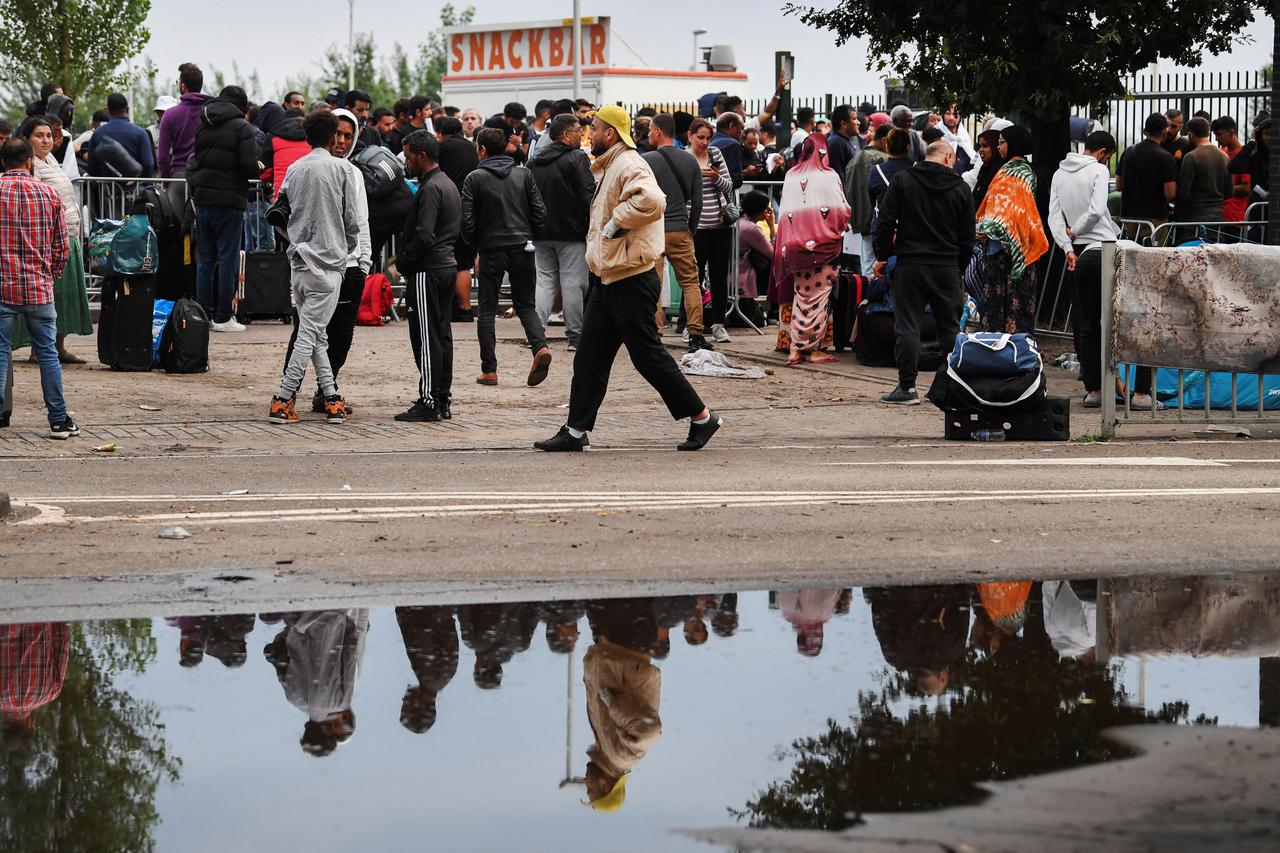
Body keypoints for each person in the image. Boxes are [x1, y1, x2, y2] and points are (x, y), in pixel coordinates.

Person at [534, 106, 721, 453]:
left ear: (611, 133)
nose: (591, 133)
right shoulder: (612, 164)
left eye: (596, 127)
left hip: (631, 278)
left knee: (648, 356)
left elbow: (652, 200)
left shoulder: (629, 163)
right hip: (612, 277)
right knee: (590, 356)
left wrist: (615, 223)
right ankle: (575, 430)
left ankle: (702, 417)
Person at [267, 111, 363, 425]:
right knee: (310, 334)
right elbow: (352, 219)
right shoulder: (342, 169)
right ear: (332, 135)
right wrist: (347, 247)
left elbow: (280, 212)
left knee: (315, 334)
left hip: (299, 263)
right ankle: (283, 397)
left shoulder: (294, 169)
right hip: (330, 264)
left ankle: (331, 397)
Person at [873, 140, 974, 405]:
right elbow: (968, 237)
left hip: (910, 264)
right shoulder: (961, 188)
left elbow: (885, 221)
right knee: (950, 328)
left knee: (907, 326)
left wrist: (883, 257)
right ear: (949, 157)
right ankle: (951, 386)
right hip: (947, 266)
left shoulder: (903, 180)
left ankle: (907, 387)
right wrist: (958, 267)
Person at [461, 126, 550, 387]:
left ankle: (489, 370)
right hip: (522, 245)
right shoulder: (524, 174)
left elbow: (467, 222)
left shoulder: (474, 178)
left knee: (487, 310)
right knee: (526, 305)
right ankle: (540, 347)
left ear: (482, 149)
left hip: (490, 249)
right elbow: (540, 213)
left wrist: (477, 244)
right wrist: (528, 234)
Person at [0, 138, 77, 438]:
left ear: (3, 162)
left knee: (1, 351)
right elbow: (62, 246)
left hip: (3, 286)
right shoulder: (49, 194)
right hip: (38, 288)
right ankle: (58, 420)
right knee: (47, 354)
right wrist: (50, 276)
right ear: (30, 161)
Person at [1048, 130, 1124, 409]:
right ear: (1103, 152)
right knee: (1111, 320)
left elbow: (1053, 217)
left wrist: (1068, 247)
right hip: (1103, 247)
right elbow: (1097, 208)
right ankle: (1116, 381)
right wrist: (1077, 230)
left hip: (1076, 254)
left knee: (1085, 321)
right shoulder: (1099, 172)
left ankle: (1093, 388)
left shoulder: (1059, 174)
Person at [396, 130, 461, 423]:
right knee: (440, 335)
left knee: (426, 337)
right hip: (444, 267)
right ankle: (441, 398)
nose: (406, 162)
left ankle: (429, 400)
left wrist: (405, 264)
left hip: (428, 270)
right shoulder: (446, 183)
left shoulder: (432, 187)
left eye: (409, 157)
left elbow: (424, 234)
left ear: (422, 156)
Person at [14, 118, 91, 364]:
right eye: (39, 135)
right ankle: (39, 348)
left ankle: (58, 345)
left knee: (65, 294)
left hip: (68, 234)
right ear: (27, 139)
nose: (46, 140)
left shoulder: (51, 161)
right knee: (47, 298)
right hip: (46, 240)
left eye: (48, 135)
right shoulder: (29, 167)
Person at [769, 136, 850, 365]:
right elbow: (840, 209)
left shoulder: (791, 174)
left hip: (795, 246)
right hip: (824, 246)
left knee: (801, 295)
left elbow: (786, 210)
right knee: (820, 297)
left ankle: (796, 348)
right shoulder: (829, 176)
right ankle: (813, 350)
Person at [581, 598, 665, 812]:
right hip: (628, 640)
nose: (585, 784)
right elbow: (649, 731)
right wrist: (614, 704)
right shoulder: (622, 757)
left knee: (601, 576)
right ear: (604, 785)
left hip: (613, 641)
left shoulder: (607, 750)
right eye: (590, 790)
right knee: (621, 574)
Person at [188, 87, 260, 333]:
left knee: (205, 261)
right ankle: (223, 317)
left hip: (204, 199)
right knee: (228, 259)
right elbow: (248, 165)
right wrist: (257, 165)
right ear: (241, 105)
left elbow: (196, 160)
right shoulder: (242, 127)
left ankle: (202, 314)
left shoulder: (203, 124)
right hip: (229, 201)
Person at [973, 125, 1049, 334]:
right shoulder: (1010, 170)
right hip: (1008, 247)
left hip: (1009, 249)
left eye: (1002, 142)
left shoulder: (1017, 173)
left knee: (1008, 304)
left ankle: (1008, 352)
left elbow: (1012, 210)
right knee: (1007, 303)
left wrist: (988, 226)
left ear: (1014, 144)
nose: (999, 147)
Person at [528, 113, 594, 351]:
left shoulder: (534, 161)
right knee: (573, 284)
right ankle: (575, 336)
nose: (582, 134)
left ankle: (536, 334)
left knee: (544, 282)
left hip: (541, 232)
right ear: (566, 135)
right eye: (578, 130)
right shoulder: (577, 158)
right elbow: (588, 193)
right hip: (572, 232)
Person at [644, 113, 709, 352]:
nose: (649, 134)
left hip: (654, 231)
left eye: (651, 129)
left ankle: (655, 333)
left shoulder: (647, 160)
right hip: (680, 229)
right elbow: (698, 203)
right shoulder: (690, 161)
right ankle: (695, 334)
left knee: (654, 285)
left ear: (659, 131)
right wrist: (689, 229)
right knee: (691, 283)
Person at [264, 610, 368, 757]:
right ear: (307, 729)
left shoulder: (341, 703)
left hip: (334, 620)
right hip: (300, 620)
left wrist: (349, 626)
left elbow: (349, 656)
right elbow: (282, 659)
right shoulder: (294, 699)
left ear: (331, 732)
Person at [687, 117, 735, 344]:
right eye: (700, 138)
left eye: (708, 138)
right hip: (696, 227)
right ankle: (693, 324)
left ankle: (718, 323)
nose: (705, 143)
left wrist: (716, 178)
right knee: (694, 278)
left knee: (719, 277)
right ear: (690, 137)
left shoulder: (716, 155)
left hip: (719, 224)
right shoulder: (685, 158)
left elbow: (730, 185)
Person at [435, 117, 480, 321]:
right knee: (464, 263)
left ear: (442, 133)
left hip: (446, 207)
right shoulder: (472, 148)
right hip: (470, 207)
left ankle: (456, 308)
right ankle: (465, 308)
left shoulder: (441, 147)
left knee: (449, 261)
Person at [395, 606, 459, 735]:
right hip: (426, 604)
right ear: (419, 706)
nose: (404, 699)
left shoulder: (442, 679)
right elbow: (419, 633)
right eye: (406, 705)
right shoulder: (429, 677)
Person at [1116, 113, 1178, 236]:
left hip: (1129, 217)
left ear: (1145, 131)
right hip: (1154, 218)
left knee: (1130, 253)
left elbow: (1119, 185)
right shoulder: (1166, 158)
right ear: (1164, 132)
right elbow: (1170, 193)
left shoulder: (1128, 152)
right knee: (1153, 254)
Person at [1172, 115, 1232, 236]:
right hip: (1217, 217)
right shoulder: (1224, 156)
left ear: (1190, 134)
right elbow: (1230, 191)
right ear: (1208, 133)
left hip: (1194, 219)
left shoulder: (1191, 157)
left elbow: (1184, 194)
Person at [156, 63, 212, 186]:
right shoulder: (213, 111)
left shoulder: (170, 115)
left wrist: (167, 181)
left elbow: (162, 158)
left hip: (180, 176)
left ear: (182, 85)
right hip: (208, 177)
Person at [846, 123, 891, 276]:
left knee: (867, 265)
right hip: (878, 220)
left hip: (860, 221)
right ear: (885, 140)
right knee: (881, 266)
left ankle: (868, 297)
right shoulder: (884, 160)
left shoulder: (854, 159)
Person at [87, 93, 156, 177]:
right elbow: (148, 164)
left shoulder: (98, 133)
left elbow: (92, 167)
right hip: (136, 188)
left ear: (108, 111)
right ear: (127, 109)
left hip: (107, 188)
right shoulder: (140, 133)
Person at [255, 102, 309, 201]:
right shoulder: (313, 136)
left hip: (283, 196)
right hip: (311, 194)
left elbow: (266, 172)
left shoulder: (273, 136)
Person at [736, 190, 774, 328]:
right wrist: (771, 226)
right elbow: (773, 254)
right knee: (776, 265)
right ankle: (774, 311)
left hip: (732, 274)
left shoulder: (739, 222)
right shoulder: (751, 229)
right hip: (742, 278)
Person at [1212, 116, 1251, 223]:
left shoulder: (1243, 155)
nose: (1216, 139)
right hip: (1218, 214)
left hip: (1235, 216)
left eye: (1219, 134)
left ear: (1231, 132)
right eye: (1215, 135)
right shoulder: (1220, 152)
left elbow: (1246, 188)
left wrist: (1220, 189)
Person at [964, 128, 1006, 209]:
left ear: (995, 147)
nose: (980, 150)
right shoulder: (984, 169)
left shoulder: (1000, 172)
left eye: (985, 146)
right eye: (979, 146)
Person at [709, 112, 744, 188]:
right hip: (724, 193)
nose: (742, 133)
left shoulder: (710, 141)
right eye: (741, 128)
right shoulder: (732, 144)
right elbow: (735, 180)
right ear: (732, 126)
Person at [825, 104, 860, 179]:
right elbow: (838, 176)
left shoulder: (843, 140)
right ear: (843, 124)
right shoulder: (836, 143)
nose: (858, 123)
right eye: (854, 119)